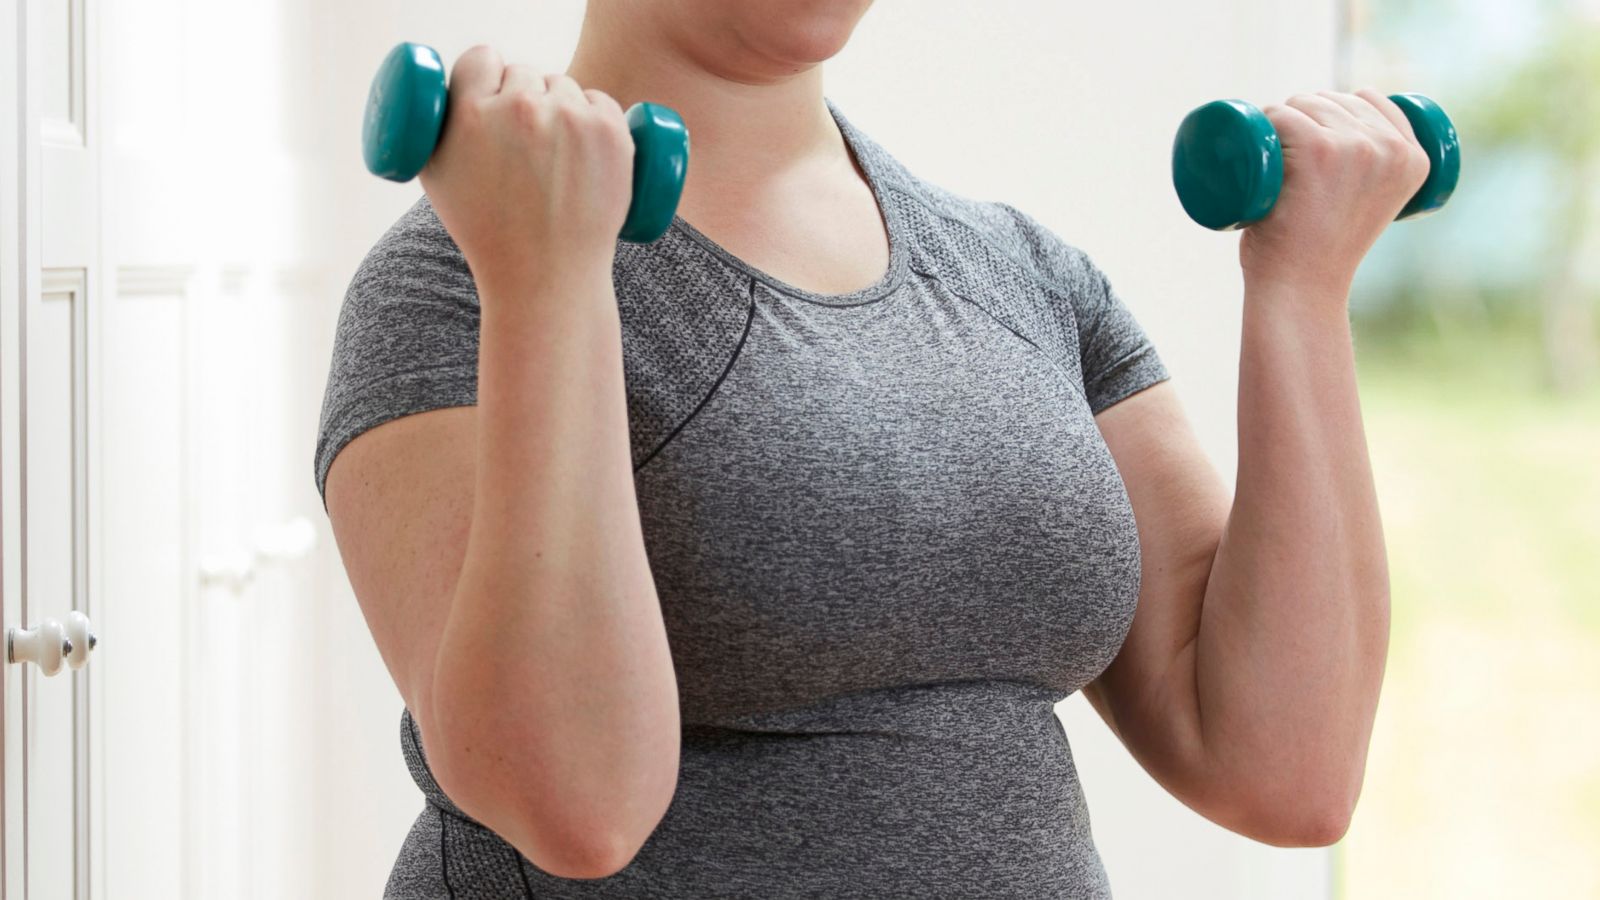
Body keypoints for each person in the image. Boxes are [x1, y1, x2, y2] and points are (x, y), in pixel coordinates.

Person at [314, 1, 1426, 896]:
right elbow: (572, 806)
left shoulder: (1024, 278)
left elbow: (1286, 771)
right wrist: (551, 276)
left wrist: (1300, 289)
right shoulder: (454, 282)